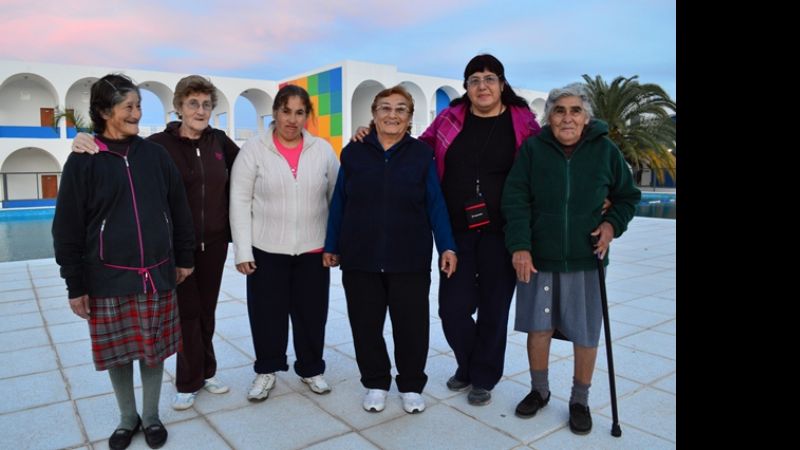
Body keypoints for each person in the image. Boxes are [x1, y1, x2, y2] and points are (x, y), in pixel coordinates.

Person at [71, 75, 240, 411]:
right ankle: (188, 381)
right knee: (187, 313)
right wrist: (83, 139)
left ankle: (207, 371)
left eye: (206, 104)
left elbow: (253, 166)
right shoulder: (159, 145)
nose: (200, 110)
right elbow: (117, 153)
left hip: (215, 243)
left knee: (207, 311)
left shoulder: (220, 143)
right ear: (178, 107)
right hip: (176, 247)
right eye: (193, 103)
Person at [53, 74, 195, 450]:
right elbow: (66, 228)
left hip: (157, 272)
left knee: (153, 351)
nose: (136, 114)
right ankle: (126, 418)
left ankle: (150, 417)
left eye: (138, 106)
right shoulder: (83, 162)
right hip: (106, 277)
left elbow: (178, 209)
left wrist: (183, 257)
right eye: (128, 107)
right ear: (103, 112)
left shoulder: (154, 155)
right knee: (118, 353)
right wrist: (75, 284)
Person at [501, 82, 641, 434]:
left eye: (575, 110)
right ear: (549, 116)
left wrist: (611, 225)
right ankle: (540, 390)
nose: (567, 117)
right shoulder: (533, 149)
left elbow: (627, 196)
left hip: (586, 258)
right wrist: (520, 245)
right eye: (559, 110)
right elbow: (515, 199)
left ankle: (580, 399)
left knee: (585, 333)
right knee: (538, 327)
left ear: (586, 116)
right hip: (539, 258)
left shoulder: (605, 151)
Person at [324, 85, 458, 414]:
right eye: (385, 108)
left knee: (411, 325)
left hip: (408, 256)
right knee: (365, 324)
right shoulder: (353, 152)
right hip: (360, 256)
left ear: (410, 118)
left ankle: (411, 385)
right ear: (373, 114)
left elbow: (436, 203)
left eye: (401, 109)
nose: (392, 114)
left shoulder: (421, 154)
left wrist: (447, 246)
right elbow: (340, 201)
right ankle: (376, 382)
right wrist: (331, 244)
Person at [419, 54, 540, 406]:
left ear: (502, 84)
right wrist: (375, 136)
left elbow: (548, 159)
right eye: (474, 80)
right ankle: (469, 363)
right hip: (456, 233)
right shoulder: (450, 118)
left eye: (489, 78)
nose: (482, 86)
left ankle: (482, 377)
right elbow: (418, 150)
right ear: (466, 87)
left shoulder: (523, 122)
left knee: (493, 308)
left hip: (503, 233)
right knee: (452, 308)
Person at [229, 84, 340, 401]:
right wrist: (243, 250)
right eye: (286, 111)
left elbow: (337, 200)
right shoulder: (254, 150)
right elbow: (239, 201)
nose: (292, 119)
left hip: (313, 251)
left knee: (311, 313)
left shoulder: (322, 150)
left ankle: (311, 369)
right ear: (275, 112)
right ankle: (266, 370)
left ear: (307, 116)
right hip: (267, 250)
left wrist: (334, 244)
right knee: (267, 314)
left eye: (300, 112)